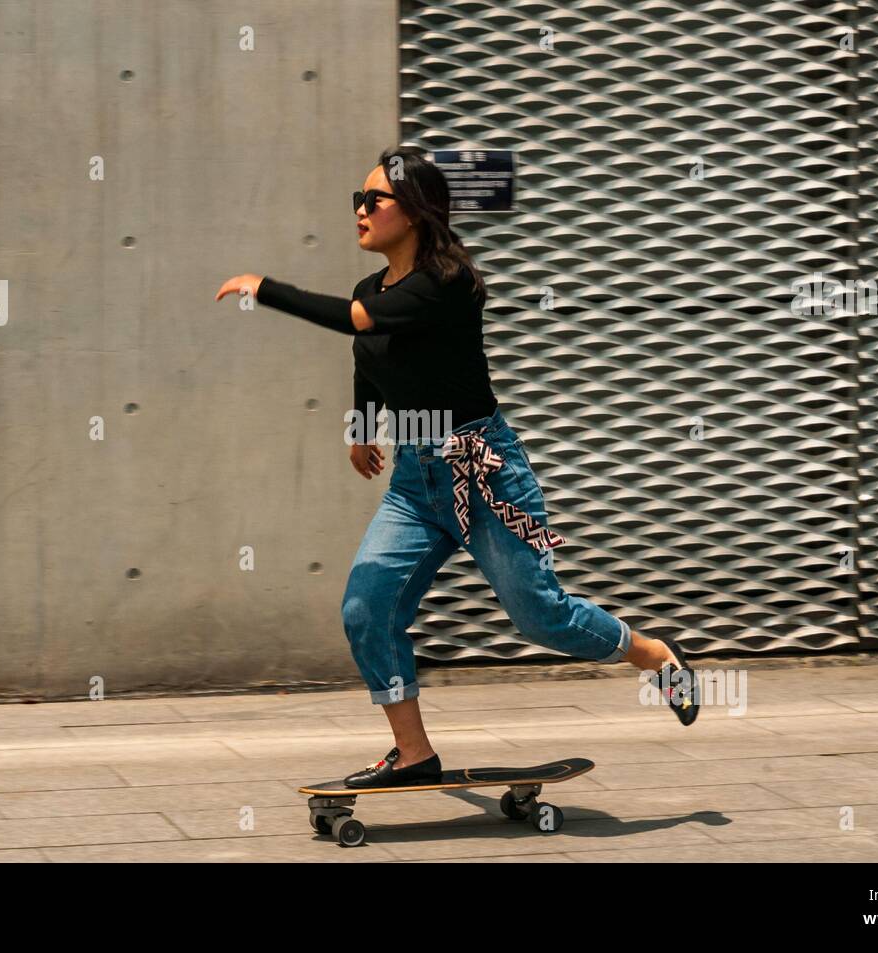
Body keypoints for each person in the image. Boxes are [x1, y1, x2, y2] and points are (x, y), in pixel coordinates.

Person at [214, 146, 699, 789]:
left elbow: (356, 322)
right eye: (355, 200)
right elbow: (369, 354)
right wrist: (362, 430)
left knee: (539, 616)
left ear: (413, 211)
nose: (360, 210)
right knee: (367, 607)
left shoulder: (446, 282)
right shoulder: (375, 288)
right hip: (416, 482)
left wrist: (265, 288)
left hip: (484, 473)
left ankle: (653, 655)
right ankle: (413, 754)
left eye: (374, 200)